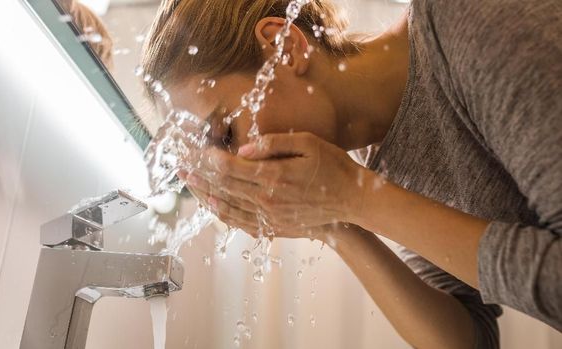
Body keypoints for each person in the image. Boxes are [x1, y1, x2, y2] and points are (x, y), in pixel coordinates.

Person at [141, 0, 562, 348]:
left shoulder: (473, 19)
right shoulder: (383, 157)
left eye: (225, 134)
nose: (236, 167)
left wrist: (358, 197)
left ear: (285, 47)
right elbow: (465, 340)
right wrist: (336, 225)